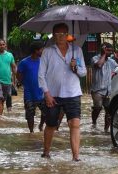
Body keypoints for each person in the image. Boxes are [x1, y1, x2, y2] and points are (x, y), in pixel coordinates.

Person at [38, 23, 87, 161]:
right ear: (53, 36)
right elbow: (41, 75)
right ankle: (46, 152)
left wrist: (75, 67)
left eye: (63, 34)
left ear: (68, 35)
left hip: (73, 93)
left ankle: (76, 157)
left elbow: (83, 73)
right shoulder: (48, 51)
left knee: (75, 123)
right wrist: (46, 94)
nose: (61, 37)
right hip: (53, 94)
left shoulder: (76, 50)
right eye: (57, 34)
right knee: (51, 124)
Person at [17, 41, 46, 133]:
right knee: (30, 114)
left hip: (42, 92)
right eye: (41, 50)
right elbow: (18, 74)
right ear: (36, 50)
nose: (43, 51)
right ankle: (31, 132)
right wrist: (24, 82)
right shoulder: (24, 62)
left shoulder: (43, 61)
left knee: (46, 112)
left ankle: (41, 125)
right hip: (29, 93)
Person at [90, 42, 118, 132]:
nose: (109, 52)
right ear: (102, 49)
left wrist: (117, 59)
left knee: (109, 111)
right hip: (97, 89)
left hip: (108, 90)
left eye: (110, 51)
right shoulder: (95, 58)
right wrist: (104, 54)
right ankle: (94, 122)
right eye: (107, 50)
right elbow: (98, 65)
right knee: (98, 107)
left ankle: (106, 130)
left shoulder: (112, 61)